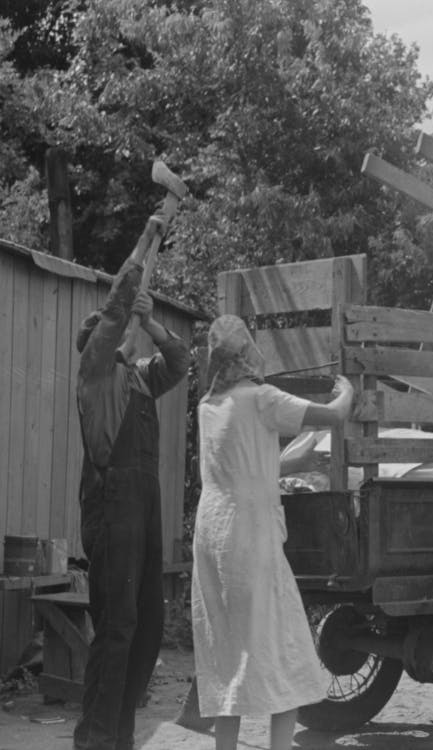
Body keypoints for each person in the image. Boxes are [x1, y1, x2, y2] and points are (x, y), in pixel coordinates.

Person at [191, 314, 354, 750]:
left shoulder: (208, 406)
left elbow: (233, 468)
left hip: (212, 535)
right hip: (249, 538)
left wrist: (291, 465)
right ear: (246, 354)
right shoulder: (261, 399)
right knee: (288, 657)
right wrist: (348, 390)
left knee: (229, 656)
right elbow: (333, 417)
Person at [74, 213, 191, 750]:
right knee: (117, 624)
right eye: (113, 327)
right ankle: (96, 738)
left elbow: (181, 361)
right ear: (99, 338)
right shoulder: (96, 373)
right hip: (113, 505)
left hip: (144, 505)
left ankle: (119, 736)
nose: (118, 330)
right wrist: (147, 236)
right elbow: (119, 302)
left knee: (146, 628)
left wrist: (155, 324)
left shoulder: (141, 380)